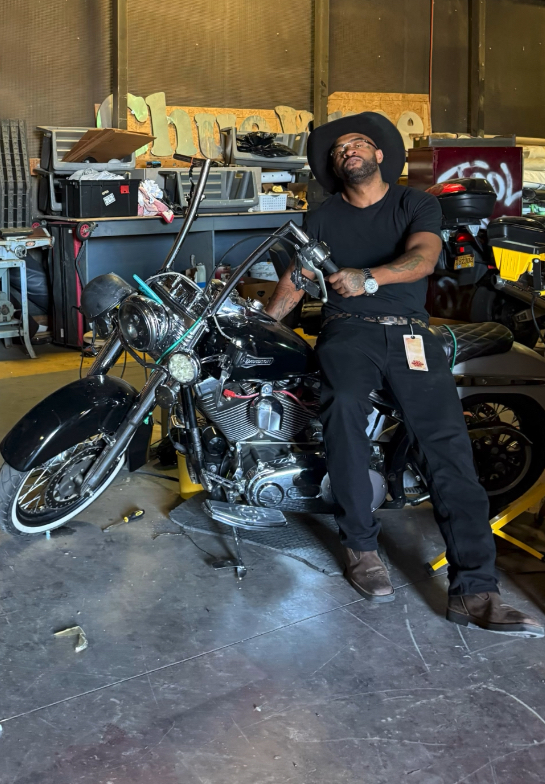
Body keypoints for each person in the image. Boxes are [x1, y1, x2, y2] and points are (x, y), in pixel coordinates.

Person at [265, 112, 543, 637]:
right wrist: (258, 324)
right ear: (332, 167)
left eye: (358, 143)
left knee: (447, 445)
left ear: (380, 156)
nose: (347, 150)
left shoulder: (415, 203)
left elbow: (423, 257)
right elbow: (296, 280)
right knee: (343, 405)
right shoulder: (321, 218)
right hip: (348, 331)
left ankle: (475, 591)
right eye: (338, 149)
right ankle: (362, 547)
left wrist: (367, 277)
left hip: (411, 335)